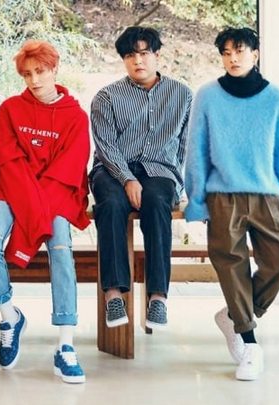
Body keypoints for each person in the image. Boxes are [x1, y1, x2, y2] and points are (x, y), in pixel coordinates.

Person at [0, 39, 90, 384]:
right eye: (27, 74)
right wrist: (30, 208)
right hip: (14, 190)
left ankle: (66, 345)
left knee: (62, 249)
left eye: (40, 71)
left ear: (54, 69)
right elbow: (9, 162)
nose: (34, 80)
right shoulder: (10, 109)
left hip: (56, 195)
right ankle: (9, 316)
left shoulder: (76, 116)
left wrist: (34, 218)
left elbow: (69, 170)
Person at [185, 27, 279, 381]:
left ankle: (234, 315)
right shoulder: (208, 96)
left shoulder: (277, 99)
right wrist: (197, 199)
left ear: (255, 54)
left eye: (239, 50)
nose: (232, 58)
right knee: (232, 266)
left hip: (266, 195)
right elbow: (196, 150)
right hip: (223, 196)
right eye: (226, 52)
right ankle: (249, 341)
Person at [90, 26, 191, 329]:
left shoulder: (182, 95)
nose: (138, 61)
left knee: (158, 202)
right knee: (111, 204)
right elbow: (105, 146)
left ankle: (158, 297)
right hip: (112, 169)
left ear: (157, 55)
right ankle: (113, 294)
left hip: (159, 169)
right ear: (123, 59)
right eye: (130, 55)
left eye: (144, 53)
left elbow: (184, 145)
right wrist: (126, 179)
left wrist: (177, 183)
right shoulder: (106, 97)